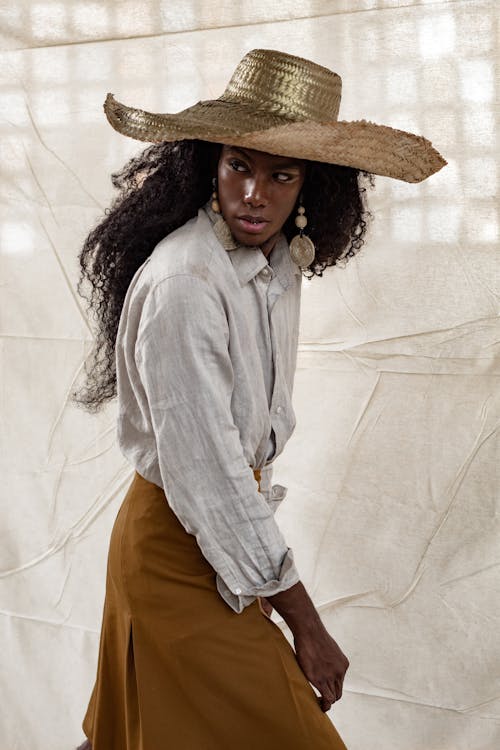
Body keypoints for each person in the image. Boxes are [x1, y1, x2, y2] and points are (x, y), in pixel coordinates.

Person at [73, 48, 446, 750]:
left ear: (313, 185)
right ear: (208, 164)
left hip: (223, 548)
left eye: (282, 174)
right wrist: (305, 623)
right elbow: (211, 482)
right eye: (239, 165)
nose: (255, 194)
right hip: (174, 555)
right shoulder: (187, 285)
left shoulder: (275, 264)